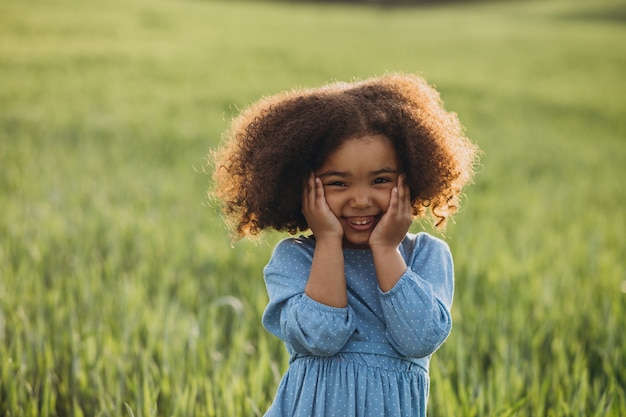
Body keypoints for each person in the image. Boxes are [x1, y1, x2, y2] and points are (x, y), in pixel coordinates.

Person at [210, 73, 480, 416]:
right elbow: (321, 337)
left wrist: (385, 249)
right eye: (338, 183)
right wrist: (327, 240)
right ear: (302, 187)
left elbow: (420, 338)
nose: (361, 200)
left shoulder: (426, 255)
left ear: (410, 179)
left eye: (380, 180)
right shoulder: (297, 258)